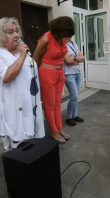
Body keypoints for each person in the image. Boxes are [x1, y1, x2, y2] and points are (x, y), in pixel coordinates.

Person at [0, 17, 45, 152]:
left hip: (30, 103)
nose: (16, 35)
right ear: (1, 36)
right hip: (12, 106)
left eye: (17, 31)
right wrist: (22, 56)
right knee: (18, 141)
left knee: (32, 142)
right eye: (10, 32)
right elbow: (7, 77)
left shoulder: (22, 52)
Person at [33, 16, 74, 144]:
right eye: (66, 34)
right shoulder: (46, 38)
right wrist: (35, 78)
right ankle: (54, 131)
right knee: (49, 105)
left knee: (57, 103)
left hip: (60, 74)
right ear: (59, 29)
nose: (67, 37)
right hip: (47, 74)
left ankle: (59, 127)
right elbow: (35, 58)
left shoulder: (61, 38)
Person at [63, 37, 85, 126]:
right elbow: (67, 60)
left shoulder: (74, 44)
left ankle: (75, 115)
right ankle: (69, 117)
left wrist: (74, 58)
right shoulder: (63, 44)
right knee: (74, 96)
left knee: (76, 96)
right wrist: (77, 59)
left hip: (77, 72)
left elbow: (83, 58)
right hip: (68, 73)